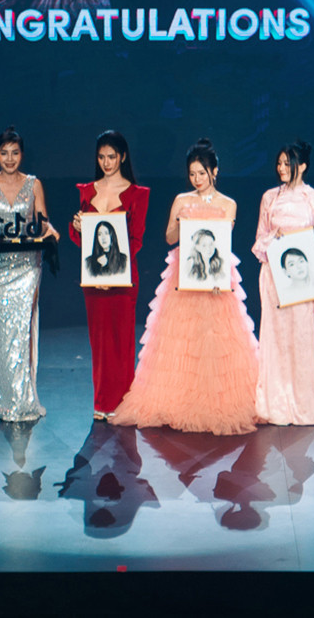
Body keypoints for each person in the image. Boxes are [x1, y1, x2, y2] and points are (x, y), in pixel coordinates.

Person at [110, 138, 258, 435]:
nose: (197, 179)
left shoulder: (228, 204)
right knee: (181, 344)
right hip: (184, 280)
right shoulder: (181, 200)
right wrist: (181, 224)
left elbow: (223, 243)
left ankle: (214, 403)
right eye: (192, 174)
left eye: (202, 173)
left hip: (215, 280)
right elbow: (169, 237)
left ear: (214, 171)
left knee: (216, 342)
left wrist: (217, 277)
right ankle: (179, 401)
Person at [0, 126, 60, 421]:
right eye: (4, 153)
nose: (9, 159)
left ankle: (24, 400)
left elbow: (42, 221)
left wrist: (50, 229)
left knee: (22, 330)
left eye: (15, 153)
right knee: (1, 332)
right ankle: (5, 401)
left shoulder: (33, 185)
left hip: (27, 266)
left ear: (22, 154)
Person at [69, 130, 149, 419]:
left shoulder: (137, 194)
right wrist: (77, 227)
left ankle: (123, 403)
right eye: (101, 157)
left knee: (122, 339)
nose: (106, 162)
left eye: (111, 157)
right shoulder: (87, 191)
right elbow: (83, 241)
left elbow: (136, 240)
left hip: (123, 278)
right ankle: (102, 403)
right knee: (100, 340)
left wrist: (113, 273)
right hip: (93, 278)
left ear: (122, 157)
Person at [251, 140, 314, 426]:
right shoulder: (269, 198)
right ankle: (275, 407)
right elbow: (259, 240)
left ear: (303, 166)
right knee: (275, 340)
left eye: (288, 163)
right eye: (279, 163)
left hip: (304, 281)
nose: (281, 168)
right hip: (274, 276)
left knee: (302, 341)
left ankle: (304, 408)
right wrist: (275, 238)